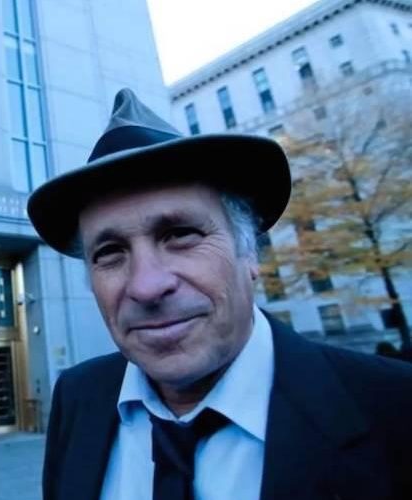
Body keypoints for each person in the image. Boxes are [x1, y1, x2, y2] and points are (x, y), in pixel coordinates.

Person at [27, 88, 412, 500]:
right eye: (109, 253)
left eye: (180, 234)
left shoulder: (396, 407)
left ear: (250, 254)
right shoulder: (77, 398)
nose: (146, 286)